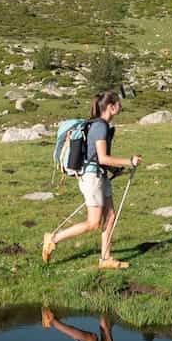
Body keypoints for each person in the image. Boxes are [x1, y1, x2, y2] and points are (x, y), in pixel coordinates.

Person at [42, 90, 141, 270]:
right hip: (92, 178)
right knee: (93, 223)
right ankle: (53, 239)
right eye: (118, 103)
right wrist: (129, 161)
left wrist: (116, 169)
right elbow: (102, 158)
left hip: (100, 175)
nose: (121, 106)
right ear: (111, 107)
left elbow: (96, 156)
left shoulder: (101, 125)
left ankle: (105, 258)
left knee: (110, 216)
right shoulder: (100, 126)